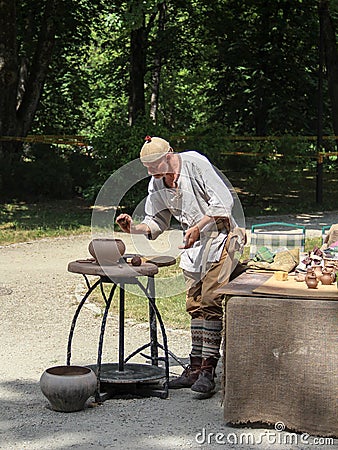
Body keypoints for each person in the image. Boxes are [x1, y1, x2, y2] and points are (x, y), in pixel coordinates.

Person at [116, 136, 245, 396]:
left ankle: (209, 370)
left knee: (210, 299)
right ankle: (195, 367)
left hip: (222, 237)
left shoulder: (195, 164)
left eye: (155, 165)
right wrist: (135, 228)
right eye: (148, 168)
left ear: (169, 154)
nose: (152, 172)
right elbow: (156, 221)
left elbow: (223, 203)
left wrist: (198, 226)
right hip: (194, 244)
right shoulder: (157, 183)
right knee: (195, 303)